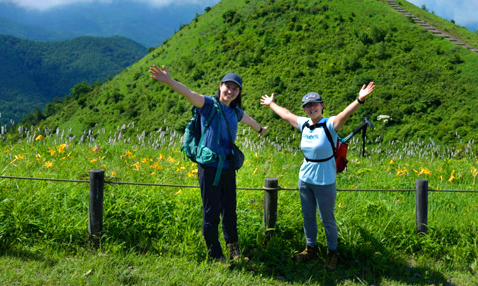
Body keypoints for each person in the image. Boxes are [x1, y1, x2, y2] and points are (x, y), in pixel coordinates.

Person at [149, 65, 267, 264]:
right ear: (220, 86)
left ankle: (233, 249)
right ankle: (215, 254)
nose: (230, 91)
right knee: (211, 211)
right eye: (227, 86)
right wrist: (169, 80)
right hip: (209, 167)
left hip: (228, 166)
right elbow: (189, 92)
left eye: (235, 88)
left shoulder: (236, 112)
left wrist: (260, 129)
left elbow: (249, 120)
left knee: (230, 210)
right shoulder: (208, 104)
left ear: (239, 93)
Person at [260, 82, 375, 271]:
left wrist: (359, 99)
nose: (312, 107)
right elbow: (287, 114)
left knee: (327, 219)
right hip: (305, 179)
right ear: (305, 109)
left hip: (325, 179)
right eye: (308, 105)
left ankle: (332, 253)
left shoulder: (330, 124)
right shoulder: (304, 124)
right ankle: (310, 248)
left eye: (315, 104)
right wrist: (272, 104)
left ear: (322, 106)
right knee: (308, 217)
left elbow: (345, 114)